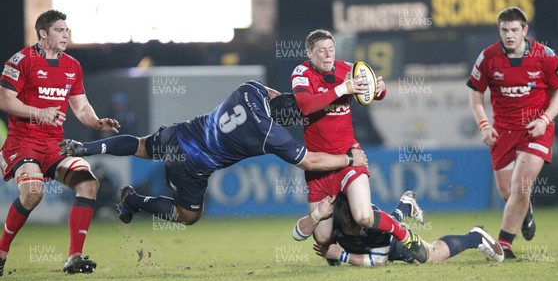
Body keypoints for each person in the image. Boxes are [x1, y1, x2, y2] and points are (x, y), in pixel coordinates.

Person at [59, 80, 368, 227]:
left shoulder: (251, 90)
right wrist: (349, 159)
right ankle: (132, 200)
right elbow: (310, 160)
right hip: (193, 166)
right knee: (188, 215)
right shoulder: (270, 133)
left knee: (140, 145)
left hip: (181, 133)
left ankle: (86, 147)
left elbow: (276, 96)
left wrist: (299, 100)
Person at [290, 29, 427, 262]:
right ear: (309, 52)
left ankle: (405, 235)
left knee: (363, 216)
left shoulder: (348, 69)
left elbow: (375, 93)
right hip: (319, 166)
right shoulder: (302, 73)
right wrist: (343, 89)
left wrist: (379, 89)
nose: (327, 55)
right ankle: (398, 212)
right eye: (321, 50)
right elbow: (305, 105)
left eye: (331, 49)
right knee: (322, 238)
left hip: (350, 157)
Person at [0, 10, 121, 275]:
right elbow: (5, 100)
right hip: (24, 142)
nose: (65, 34)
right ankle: (1, 252)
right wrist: (39, 112)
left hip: (55, 145)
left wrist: (98, 122)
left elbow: (81, 106)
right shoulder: (21, 60)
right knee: (33, 192)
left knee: (88, 183)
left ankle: (74, 257)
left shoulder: (72, 66)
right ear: (43, 34)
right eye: (59, 30)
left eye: (67, 30)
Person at [467, 6, 558, 259]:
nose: (509, 35)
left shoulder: (544, 56)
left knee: (521, 183)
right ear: (499, 30)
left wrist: (546, 119)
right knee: (509, 193)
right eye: (504, 30)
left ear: (525, 30)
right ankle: (527, 210)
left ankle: (504, 244)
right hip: (502, 132)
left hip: (535, 129)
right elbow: (475, 93)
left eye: (515, 30)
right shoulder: (488, 58)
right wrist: (484, 124)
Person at [294, 192, 504, 266]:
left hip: (393, 245)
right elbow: (297, 233)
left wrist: (341, 256)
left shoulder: (373, 225)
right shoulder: (332, 216)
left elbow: (379, 261)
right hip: (368, 242)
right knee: (391, 221)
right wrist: (316, 216)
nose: (360, 228)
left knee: (431, 255)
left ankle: (475, 238)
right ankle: (406, 204)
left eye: (360, 225)